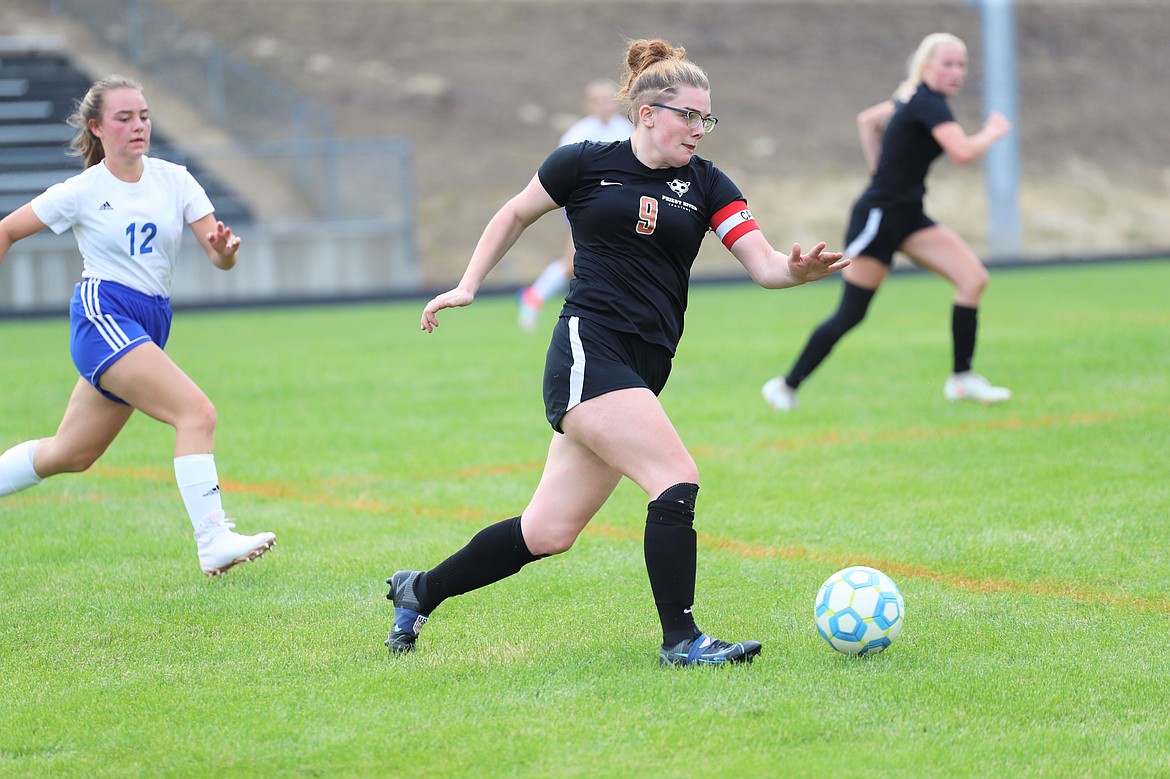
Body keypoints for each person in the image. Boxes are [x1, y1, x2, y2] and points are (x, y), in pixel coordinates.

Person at [388, 39, 849, 667]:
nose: (699, 129)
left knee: (547, 533)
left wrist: (799, 272)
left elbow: (765, 265)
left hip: (643, 368)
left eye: (706, 118)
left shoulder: (708, 184)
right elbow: (514, 213)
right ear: (647, 113)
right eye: (689, 115)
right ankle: (682, 641)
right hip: (589, 351)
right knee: (676, 479)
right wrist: (467, 285)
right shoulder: (581, 163)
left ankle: (419, 591)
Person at [0, 75, 275, 576]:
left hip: (149, 319)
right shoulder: (81, 191)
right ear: (97, 128)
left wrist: (224, 254)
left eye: (144, 116)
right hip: (103, 314)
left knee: (72, 453)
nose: (138, 126)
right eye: (124, 118)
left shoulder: (176, 179)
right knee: (196, 413)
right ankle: (213, 538)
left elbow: (219, 257)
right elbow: (7, 230)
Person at [762, 32, 1014, 411]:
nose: (956, 71)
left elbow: (868, 121)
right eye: (948, 63)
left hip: (909, 215)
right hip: (879, 217)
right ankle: (785, 386)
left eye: (962, 65)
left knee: (973, 279)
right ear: (927, 67)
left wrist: (882, 169)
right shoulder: (928, 103)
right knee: (852, 312)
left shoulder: (911, 97)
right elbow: (961, 152)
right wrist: (993, 133)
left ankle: (962, 379)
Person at [517, 78, 633, 331]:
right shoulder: (578, 135)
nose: (606, 105)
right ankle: (533, 297)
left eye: (610, 99)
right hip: (587, 208)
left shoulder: (626, 130)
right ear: (589, 105)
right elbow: (562, 174)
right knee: (573, 263)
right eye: (600, 100)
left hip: (620, 209)